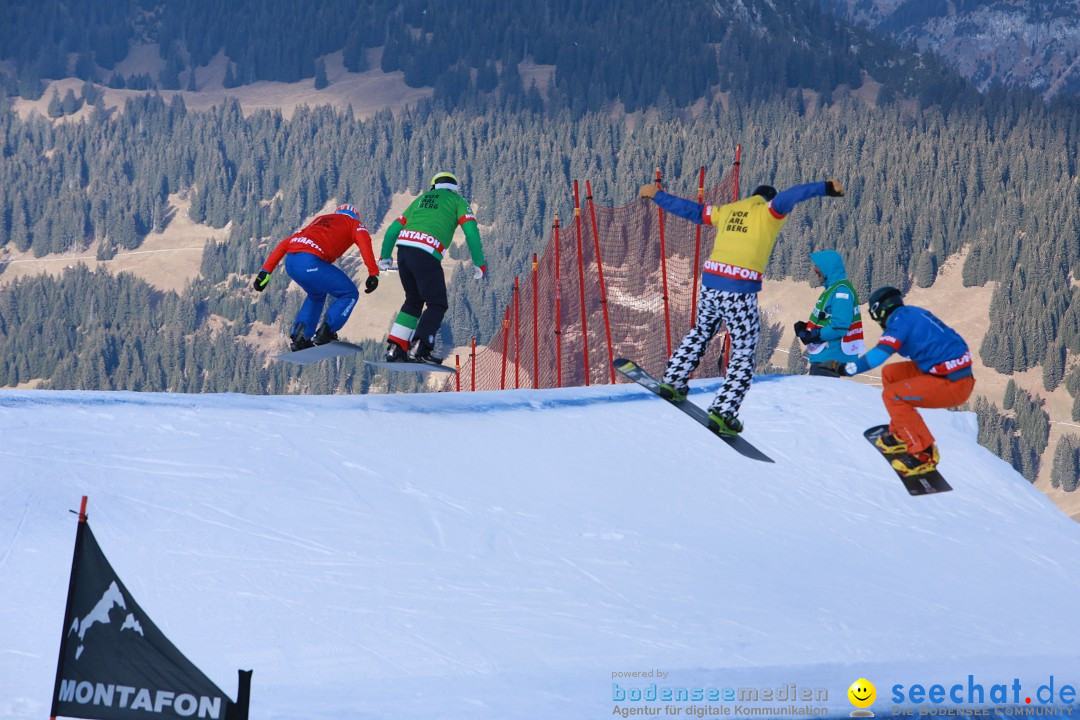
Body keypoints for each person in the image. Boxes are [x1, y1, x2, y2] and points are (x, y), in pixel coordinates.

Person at [638, 178, 845, 436]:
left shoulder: (727, 211)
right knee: (743, 352)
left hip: (711, 283)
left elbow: (690, 210)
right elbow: (794, 194)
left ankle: (673, 380)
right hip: (739, 289)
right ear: (769, 200)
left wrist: (657, 195)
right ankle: (724, 411)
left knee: (702, 331)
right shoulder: (770, 212)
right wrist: (826, 188)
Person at [832, 286, 975, 476]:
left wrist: (847, 368)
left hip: (953, 383)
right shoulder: (913, 313)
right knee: (891, 374)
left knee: (893, 395)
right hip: (949, 372)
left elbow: (878, 356)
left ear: (880, 312)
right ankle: (903, 432)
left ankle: (923, 453)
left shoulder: (899, 324)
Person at [379, 171, 486, 364]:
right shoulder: (458, 201)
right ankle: (420, 348)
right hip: (426, 253)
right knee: (437, 303)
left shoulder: (421, 199)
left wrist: (385, 257)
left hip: (403, 251)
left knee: (413, 301)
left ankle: (395, 348)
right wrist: (480, 263)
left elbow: (394, 228)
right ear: (454, 188)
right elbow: (471, 232)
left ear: (434, 186)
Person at [253, 204, 380, 351]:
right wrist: (373, 273)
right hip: (310, 262)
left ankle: (300, 337)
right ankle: (326, 333)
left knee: (316, 295)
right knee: (349, 293)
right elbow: (365, 242)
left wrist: (265, 272)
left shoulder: (320, 219)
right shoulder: (354, 223)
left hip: (291, 263)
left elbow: (285, 243)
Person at [793, 249, 864, 377]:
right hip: (826, 356)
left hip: (831, 357)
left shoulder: (842, 293)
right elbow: (826, 318)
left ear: (827, 269)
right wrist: (807, 328)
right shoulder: (832, 290)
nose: (814, 269)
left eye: (817, 266)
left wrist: (816, 335)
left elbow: (840, 326)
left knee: (819, 395)